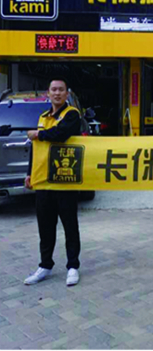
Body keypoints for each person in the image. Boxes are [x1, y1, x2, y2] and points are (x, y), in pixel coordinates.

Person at [24, 78, 82, 287]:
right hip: (44, 181)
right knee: (45, 227)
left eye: (61, 90)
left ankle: (73, 266)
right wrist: (29, 173)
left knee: (70, 226)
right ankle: (45, 265)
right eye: (53, 90)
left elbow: (61, 135)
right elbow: (36, 148)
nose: (57, 93)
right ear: (48, 93)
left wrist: (38, 134)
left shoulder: (72, 114)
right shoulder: (43, 116)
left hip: (65, 180)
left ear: (67, 94)